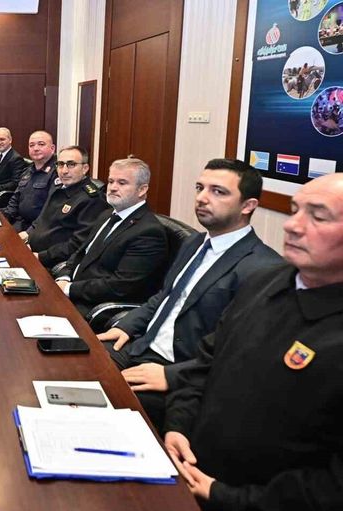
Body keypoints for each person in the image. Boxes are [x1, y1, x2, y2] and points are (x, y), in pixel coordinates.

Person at [161, 172, 343, 509]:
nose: (292, 225)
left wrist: (224, 495)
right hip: (189, 472)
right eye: (295, 210)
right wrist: (178, 426)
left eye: (318, 217)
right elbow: (205, 365)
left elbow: (332, 488)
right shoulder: (264, 281)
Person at [97, 159, 281, 431]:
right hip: (141, 347)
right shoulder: (195, 241)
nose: (202, 198)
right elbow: (166, 295)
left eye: (218, 191)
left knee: (102, 406)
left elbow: (241, 354)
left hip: (183, 375)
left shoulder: (264, 268)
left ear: (248, 206)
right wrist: (127, 325)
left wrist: (171, 375)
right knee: (75, 364)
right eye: (200, 188)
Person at [55, 157, 169, 316]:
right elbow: (81, 252)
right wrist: (65, 276)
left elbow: (120, 286)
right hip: (71, 291)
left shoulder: (149, 232)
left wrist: (69, 289)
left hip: (92, 305)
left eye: (122, 183)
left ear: (142, 190)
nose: (113, 188)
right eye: (111, 181)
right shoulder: (106, 214)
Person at [21, 144, 109, 269]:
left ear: (85, 168)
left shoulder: (91, 200)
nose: (64, 171)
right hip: (30, 250)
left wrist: (41, 256)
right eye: (60, 164)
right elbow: (42, 219)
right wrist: (26, 235)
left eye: (71, 164)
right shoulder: (58, 187)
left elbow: (78, 244)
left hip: (49, 263)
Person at [1, 131, 59, 232]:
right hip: (20, 223)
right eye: (31, 145)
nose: (35, 148)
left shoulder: (58, 172)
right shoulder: (27, 171)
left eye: (41, 144)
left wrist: (29, 233)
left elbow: (51, 212)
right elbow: (15, 199)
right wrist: (2, 218)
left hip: (39, 229)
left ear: (52, 148)